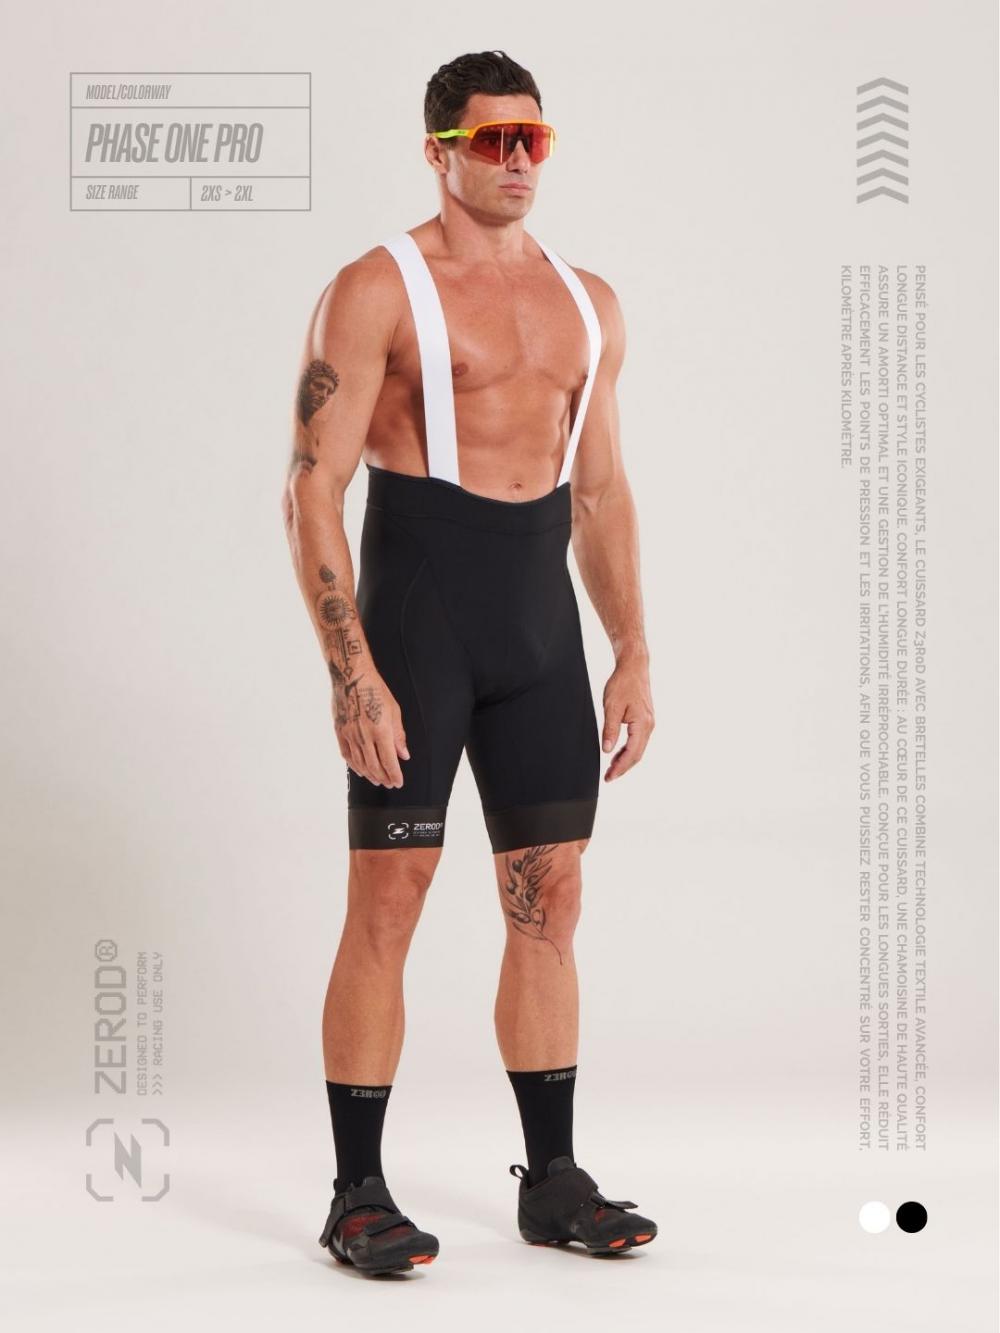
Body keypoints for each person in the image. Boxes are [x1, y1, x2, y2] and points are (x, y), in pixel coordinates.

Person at [282, 49, 657, 1277]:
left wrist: (631, 650)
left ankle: (551, 1180)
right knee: (388, 900)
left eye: (530, 140)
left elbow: (599, 493)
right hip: (419, 619)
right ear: (437, 152)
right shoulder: (374, 289)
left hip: (539, 633)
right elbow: (313, 486)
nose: (513, 161)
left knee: (551, 902)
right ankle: (356, 1194)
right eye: (490, 141)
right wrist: (352, 670)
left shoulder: (588, 302)